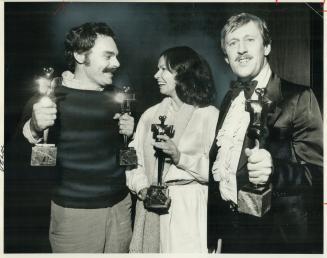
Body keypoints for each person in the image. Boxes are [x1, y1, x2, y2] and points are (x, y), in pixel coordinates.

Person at [207, 13, 323, 253]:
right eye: (232, 43)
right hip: (231, 233)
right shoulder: (229, 99)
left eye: (249, 39)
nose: (241, 49)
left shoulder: (299, 97)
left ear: (267, 46)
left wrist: (275, 170)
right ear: (226, 58)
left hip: (277, 238)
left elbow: (319, 173)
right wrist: (214, 235)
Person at [22, 22, 134, 253]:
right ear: (80, 55)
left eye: (117, 56)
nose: (117, 63)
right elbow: (13, 157)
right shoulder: (50, 97)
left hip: (121, 209)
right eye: (108, 56)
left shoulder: (119, 98)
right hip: (75, 215)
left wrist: (130, 133)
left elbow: (127, 153)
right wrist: (33, 128)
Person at [126, 46, 219, 253]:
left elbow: (219, 172)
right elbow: (133, 159)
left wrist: (180, 157)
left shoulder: (208, 115)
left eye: (163, 69)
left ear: (183, 72)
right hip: (152, 206)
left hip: (191, 207)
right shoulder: (150, 115)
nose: (156, 75)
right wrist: (141, 187)